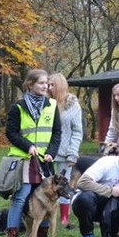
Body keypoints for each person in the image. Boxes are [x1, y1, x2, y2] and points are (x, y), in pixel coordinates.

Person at [4, 69, 62, 237]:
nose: (45, 86)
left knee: (48, 196)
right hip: (23, 158)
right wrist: (27, 145)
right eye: (41, 83)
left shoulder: (52, 105)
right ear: (30, 84)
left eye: (46, 83)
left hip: (45, 160)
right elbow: (11, 133)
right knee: (21, 196)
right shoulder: (18, 107)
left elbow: (57, 132)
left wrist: (52, 152)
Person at [48, 73, 83, 228]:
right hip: (47, 152)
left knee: (63, 185)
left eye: (52, 85)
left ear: (60, 86)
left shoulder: (72, 105)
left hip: (65, 152)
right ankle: (46, 214)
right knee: (46, 184)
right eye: (48, 84)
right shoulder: (46, 103)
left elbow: (77, 131)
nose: (49, 88)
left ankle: (63, 217)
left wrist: (72, 152)